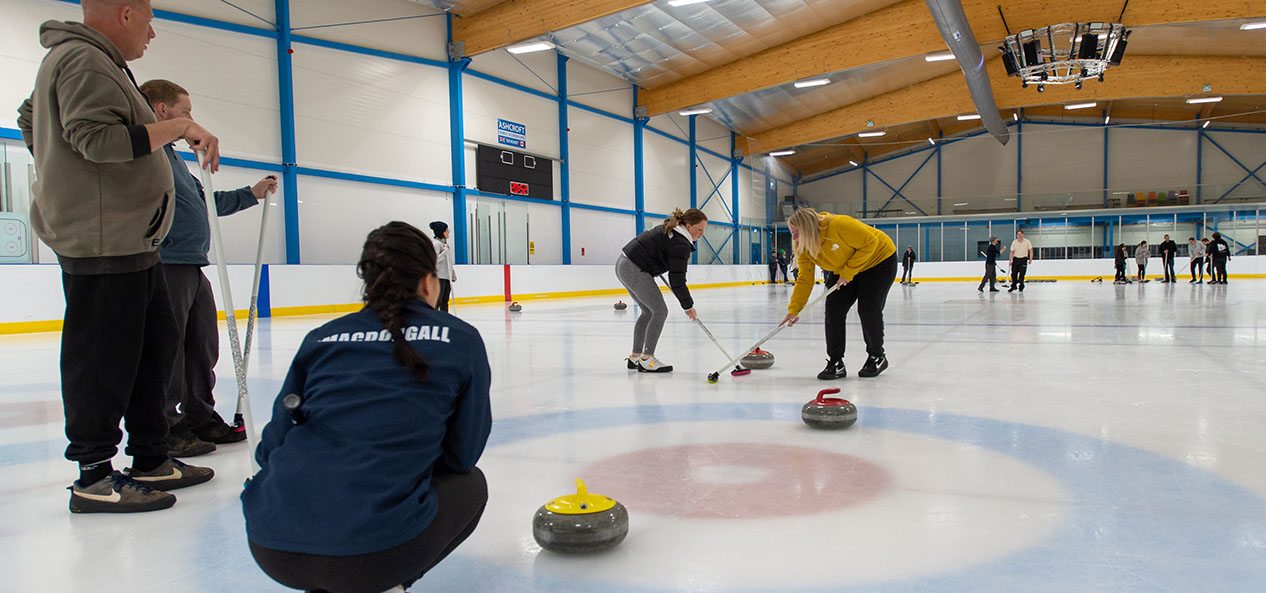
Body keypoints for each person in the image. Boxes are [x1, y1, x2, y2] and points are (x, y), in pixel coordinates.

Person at [17, 0, 219, 513]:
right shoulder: (83, 59)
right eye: (149, 21)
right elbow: (97, 141)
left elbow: (33, 116)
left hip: (133, 239)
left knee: (153, 350)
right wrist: (178, 128)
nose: (152, 34)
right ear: (125, 14)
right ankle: (93, 476)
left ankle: (152, 457)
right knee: (103, 360)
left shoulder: (99, 62)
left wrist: (58, 165)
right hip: (103, 241)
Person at [242, 221, 491, 593]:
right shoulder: (459, 339)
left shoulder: (322, 337)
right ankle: (387, 583)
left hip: (271, 545)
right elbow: (461, 456)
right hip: (375, 555)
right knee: (471, 485)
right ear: (428, 282)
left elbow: (271, 446)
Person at [139, 79, 272, 457]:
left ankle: (200, 416)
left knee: (202, 345)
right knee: (169, 350)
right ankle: (167, 425)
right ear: (162, 110)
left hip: (192, 263)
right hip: (165, 262)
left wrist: (251, 193)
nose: (191, 119)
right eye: (185, 112)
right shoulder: (149, 155)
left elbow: (206, 203)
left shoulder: (176, 160)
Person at [781, 208, 897, 380]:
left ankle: (877, 356)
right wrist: (794, 309)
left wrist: (849, 272)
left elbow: (870, 243)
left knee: (868, 309)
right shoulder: (802, 246)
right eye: (792, 234)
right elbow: (805, 279)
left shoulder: (839, 224)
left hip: (878, 261)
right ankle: (836, 362)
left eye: (797, 233)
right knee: (834, 309)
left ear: (808, 229)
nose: (794, 239)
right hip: (843, 267)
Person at [616, 208, 707, 373]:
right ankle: (647, 359)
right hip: (633, 267)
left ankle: (636, 356)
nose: (701, 234)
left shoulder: (673, 231)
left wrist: (654, 267)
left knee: (648, 312)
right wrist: (688, 306)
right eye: (699, 229)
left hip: (624, 264)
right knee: (660, 311)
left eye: (703, 230)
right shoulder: (680, 242)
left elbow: (657, 251)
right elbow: (677, 279)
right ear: (688, 225)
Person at [429, 221, 456, 312]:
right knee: (438, 300)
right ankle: (435, 318)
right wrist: (445, 251)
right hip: (438, 277)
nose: (448, 232)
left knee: (445, 300)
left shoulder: (444, 244)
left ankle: (445, 318)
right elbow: (435, 261)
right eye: (447, 230)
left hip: (446, 277)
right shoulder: (436, 244)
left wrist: (452, 274)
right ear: (442, 232)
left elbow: (448, 262)